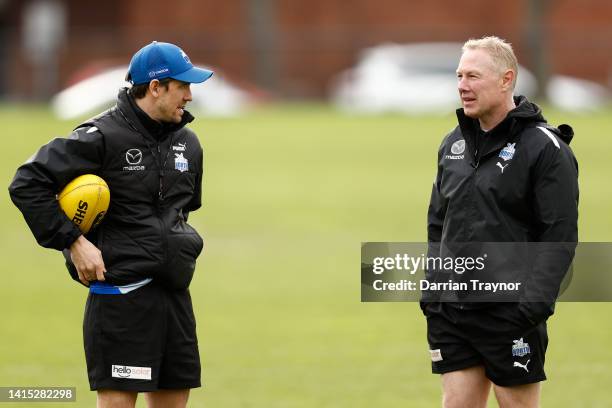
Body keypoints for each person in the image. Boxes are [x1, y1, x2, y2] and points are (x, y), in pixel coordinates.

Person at [9, 41, 213, 408]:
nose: (190, 95)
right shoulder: (101, 137)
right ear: (155, 87)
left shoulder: (189, 143)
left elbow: (183, 210)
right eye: (182, 86)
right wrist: (74, 241)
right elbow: (27, 183)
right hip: (122, 301)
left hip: (175, 298)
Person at [422, 36, 578, 408]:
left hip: (510, 312)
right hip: (453, 310)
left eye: (473, 76)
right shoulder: (452, 144)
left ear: (506, 79)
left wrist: (529, 308)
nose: (462, 85)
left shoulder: (544, 147)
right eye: (459, 76)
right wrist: (432, 292)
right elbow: (437, 224)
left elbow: (559, 237)